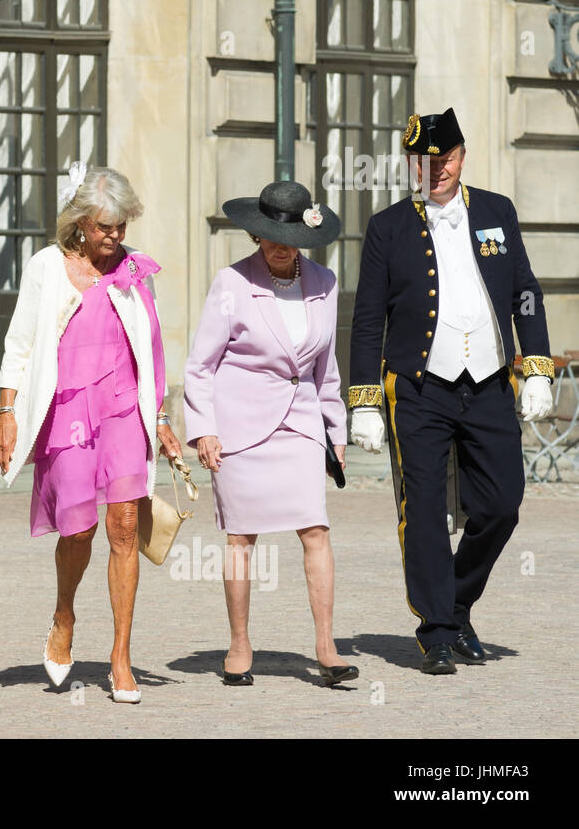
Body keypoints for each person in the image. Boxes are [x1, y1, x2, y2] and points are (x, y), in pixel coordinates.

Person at [348, 108, 554, 674]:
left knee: (503, 504)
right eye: (425, 160)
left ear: (463, 156)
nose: (437, 168)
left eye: (446, 158)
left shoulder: (496, 211)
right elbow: (368, 319)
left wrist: (536, 364)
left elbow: (525, 290)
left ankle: (457, 603)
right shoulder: (388, 226)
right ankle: (436, 628)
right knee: (425, 513)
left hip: (487, 381)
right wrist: (364, 399)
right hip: (418, 386)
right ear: (411, 163)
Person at [0, 163, 182, 705]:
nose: (115, 236)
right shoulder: (47, 267)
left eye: (121, 225)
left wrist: (162, 419)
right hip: (68, 409)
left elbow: (152, 350)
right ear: (79, 223)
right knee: (77, 531)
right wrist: (6, 410)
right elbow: (20, 342)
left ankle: (121, 657)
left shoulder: (134, 272)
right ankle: (63, 615)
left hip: (123, 410)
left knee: (124, 526)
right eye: (105, 226)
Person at [182, 180, 357, 687]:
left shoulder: (325, 281)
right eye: (268, 235)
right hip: (239, 427)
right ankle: (239, 645)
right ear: (255, 235)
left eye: (288, 236)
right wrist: (204, 430)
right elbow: (200, 366)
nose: (279, 245)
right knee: (241, 536)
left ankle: (326, 646)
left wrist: (335, 429)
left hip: (300, 423)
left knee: (316, 529)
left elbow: (326, 369)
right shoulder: (231, 283)